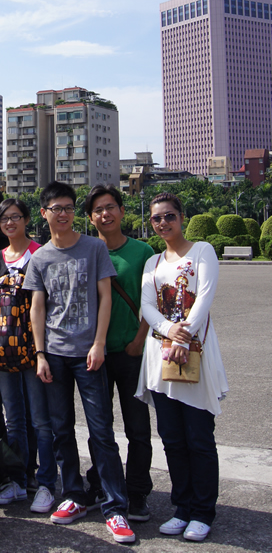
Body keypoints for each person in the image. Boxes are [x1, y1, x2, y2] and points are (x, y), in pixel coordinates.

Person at [23, 181, 135, 544]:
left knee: (101, 431)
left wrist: (99, 343)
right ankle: (72, 494)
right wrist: (40, 353)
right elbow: (37, 308)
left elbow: (106, 298)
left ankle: (115, 506)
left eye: (69, 208)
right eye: (56, 208)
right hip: (54, 354)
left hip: (89, 353)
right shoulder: (39, 257)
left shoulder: (93, 247)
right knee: (61, 429)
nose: (64, 214)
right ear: (44, 213)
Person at [136, 192, 228, 543]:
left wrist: (183, 337)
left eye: (169, 216)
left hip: (195, 353)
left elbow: (204, 297)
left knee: (199, 438)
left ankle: (203, 512)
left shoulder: (202, 251)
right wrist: (168, 331)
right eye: (157, 218)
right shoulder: (153, 261)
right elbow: (148, 306)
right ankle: (182, 507)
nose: (163, 223)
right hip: (161, 356)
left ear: (182, 217)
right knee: (172, 439)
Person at [85, 184, 154, 521]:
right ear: (90, 218)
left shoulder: (142, 252)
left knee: (137, 427)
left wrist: (139, 340)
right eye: (98, 210)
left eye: (110, 207)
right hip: (93, 354)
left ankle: (137, 491)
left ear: (122, 211)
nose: (105, 214)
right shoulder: (86, 251)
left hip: (130, 352)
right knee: (99, 427)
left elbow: (154, 302)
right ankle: (101, 483)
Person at [0, 197, 57, 514]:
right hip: (3, 349)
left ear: (27, 219)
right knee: (13, 419)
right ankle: (17, 480)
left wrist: (42, 351)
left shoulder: (40, 253)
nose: (10, 223)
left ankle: (46, 483)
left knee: (41, 420)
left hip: (33, 347)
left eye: (15, 217)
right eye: (4, 218)